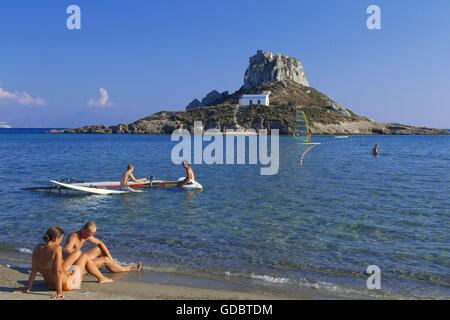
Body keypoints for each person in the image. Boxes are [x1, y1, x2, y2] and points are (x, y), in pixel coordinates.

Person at [13, 226, 112, 299]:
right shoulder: (57, 248)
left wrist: (28, 288)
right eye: (61, 239)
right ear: (56, 239)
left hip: (49, 284)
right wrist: (59, 292)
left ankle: (101, 275)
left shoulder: (37, 248)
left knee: (77, 253)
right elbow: (58, 272)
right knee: (85, 256)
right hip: (67, 284)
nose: (61, 242)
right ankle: (102, 278)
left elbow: (34, 270)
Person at [63, 222, 142, 274]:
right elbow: (65, 251)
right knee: (105, 260)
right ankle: (130, 269)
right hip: (75, 267)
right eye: (88, 234)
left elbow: (100, 243)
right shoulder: (72, 238)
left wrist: (111, 258)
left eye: (90, 235)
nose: (88, 237)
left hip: (81, 260)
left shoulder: (85, 235)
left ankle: (113, 264)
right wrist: (77, 255)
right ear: (83, 228)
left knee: (99, 249)